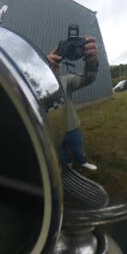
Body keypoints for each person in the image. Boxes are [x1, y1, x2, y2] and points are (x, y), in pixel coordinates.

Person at [47, 35, 99, 171]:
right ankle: (67, 165)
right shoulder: (40, 86)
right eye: (49, 65)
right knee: (62, 153)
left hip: (73, 127)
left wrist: (91, 63)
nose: (54, 67)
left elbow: (88, 79)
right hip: (55, 132)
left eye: (55, 64)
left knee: (78, 148)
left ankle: (82, 162)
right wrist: (41, 71)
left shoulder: (66, 80)